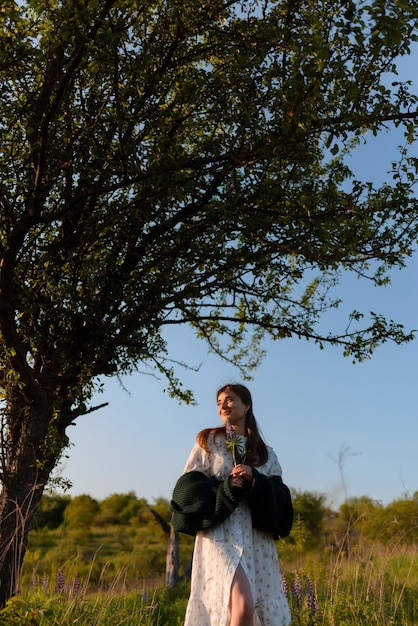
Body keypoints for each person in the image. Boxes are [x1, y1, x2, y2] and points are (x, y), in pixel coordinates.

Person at [171, 383, 293, 626]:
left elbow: (281, 503)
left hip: (256, 541)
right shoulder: (209, 443)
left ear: (246, 405)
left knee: (245, 612)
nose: (223, 406)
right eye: (218, 403)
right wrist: (224, 488)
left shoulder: (265, 455)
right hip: (219, 536)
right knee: (242, 604)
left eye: (229, 400)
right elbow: (185, 491)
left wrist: (254, 479)